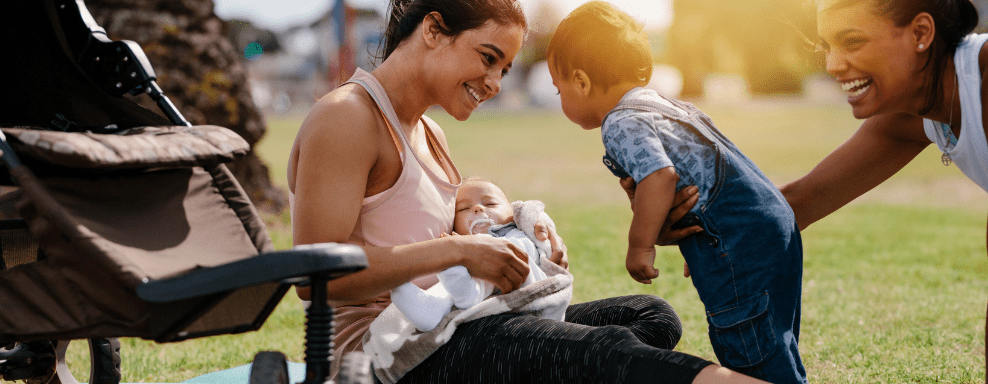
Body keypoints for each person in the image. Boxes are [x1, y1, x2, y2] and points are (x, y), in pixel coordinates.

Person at [286, 0, 768, 381]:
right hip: (380, 357)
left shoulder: (430, 134)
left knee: (649, 315)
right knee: (604, 352)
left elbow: (454, 230)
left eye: (506, 69)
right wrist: (458, 250)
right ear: (434, 30)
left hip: (450, 327)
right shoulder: (347, 116)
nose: (495, 83)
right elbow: (316, 274)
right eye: (488, 58)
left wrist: (525, 239)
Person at [546, 2, 806, 383]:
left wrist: (640, 245)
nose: (560, 99)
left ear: (582, 82)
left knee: (750, 353)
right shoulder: (666, 106)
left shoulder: (619, 121)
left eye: (559, 90)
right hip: (770, 223)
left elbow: (660, 176)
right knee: (773, 339)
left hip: (738, 237)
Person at [774, 0, 988, 379]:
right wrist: (696, 218)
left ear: (921, 33)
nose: (833, 65)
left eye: (852, 42)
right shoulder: (913, 113)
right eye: (826, 47)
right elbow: (799, 202)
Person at [390, 177, 556, 332]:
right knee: (446, 284)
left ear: (513, 214)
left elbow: (535, 226)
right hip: (481, 302)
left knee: (497, 258)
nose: (478, 208)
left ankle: (467, 296)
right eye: (463, 208)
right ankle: (430, 310)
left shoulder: (517, 233)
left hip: (519, 277)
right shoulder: (462, 245)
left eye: (490, 204)